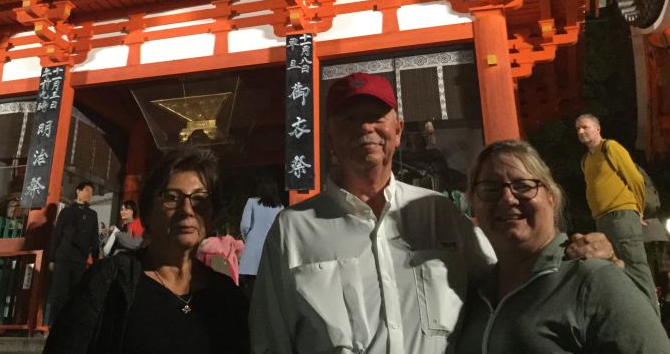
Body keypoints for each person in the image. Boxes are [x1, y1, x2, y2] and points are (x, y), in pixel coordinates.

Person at [251, 72, 615, 354]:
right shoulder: (293, 229)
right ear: (329, 137)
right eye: (349, 119)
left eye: (377, 117)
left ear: (397, 130)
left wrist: (574, 262)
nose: (365, 127)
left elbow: (507, 284)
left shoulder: (438, 212)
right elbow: (270, 341)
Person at [455, 140, 669, 353]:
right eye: (490, 188)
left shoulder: (593, 279)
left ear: (551, 196)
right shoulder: (473, 292)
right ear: (473, 203)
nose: (507, 198)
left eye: (523, 186)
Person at [43, 147, 250, 354]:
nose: (187, 210)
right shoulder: (109, 280)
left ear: (211, 214)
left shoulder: (228, 297)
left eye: (199, 200)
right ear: (149, 212)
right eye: (172, 198)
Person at [576, 113, 658, 310]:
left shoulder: (610, 147)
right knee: (617, 271)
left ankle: (652, 318)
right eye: (578, 128)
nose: (581, 131)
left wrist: (638, 208)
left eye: (585, 127)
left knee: (636, 268)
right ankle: (634, 315)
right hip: (602, 219)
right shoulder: (585, 160)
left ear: (597, 128)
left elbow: (635, 179)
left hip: (621, 215)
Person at [47, 181, 100, 323]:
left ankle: (70, 326)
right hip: (63, 257)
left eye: (91, 192)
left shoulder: (92, 215)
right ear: (78, 191)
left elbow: (94, 238)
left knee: (76, 293)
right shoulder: (66, 212)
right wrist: (51, 259)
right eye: (87, 190)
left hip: (80, 259)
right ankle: (54, 325)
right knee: (59, 292)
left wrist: (96, 260)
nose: (89, 194)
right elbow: (57, 235)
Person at [238, 178, 283, 295]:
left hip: (251, 255)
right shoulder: (280, 208)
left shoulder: (251, 202)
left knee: (248, 291)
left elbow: (245, 225)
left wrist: (247, 239)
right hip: (271, 253)